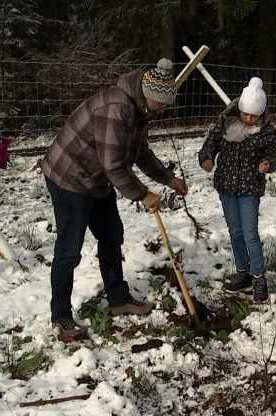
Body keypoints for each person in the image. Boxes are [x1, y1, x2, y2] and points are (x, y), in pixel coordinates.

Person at [41, 59, 188, 340]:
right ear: (150, 96)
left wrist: (167, 179)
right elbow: (114, 165)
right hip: (70, 176)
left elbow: (139, 152)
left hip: (97, 179)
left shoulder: (140, 109)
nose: (165, 109)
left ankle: (118, 299)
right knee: (69, 249)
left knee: (111, 235)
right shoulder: (117, 109)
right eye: (163, 103)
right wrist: (143, 194)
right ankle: (60, 316)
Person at [198, 77, 276, 304]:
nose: (249, 119)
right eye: (246, 114)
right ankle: (243, 273)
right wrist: (206, 159)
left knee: (250, 234)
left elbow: (272, 155)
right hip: (226, 186)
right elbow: (211, 143)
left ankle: (259, 277)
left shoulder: (264, 131)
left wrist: (267, 164)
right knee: (235, 232)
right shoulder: (225, 124)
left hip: (249, 188)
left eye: (254, 116)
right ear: (240, 109)